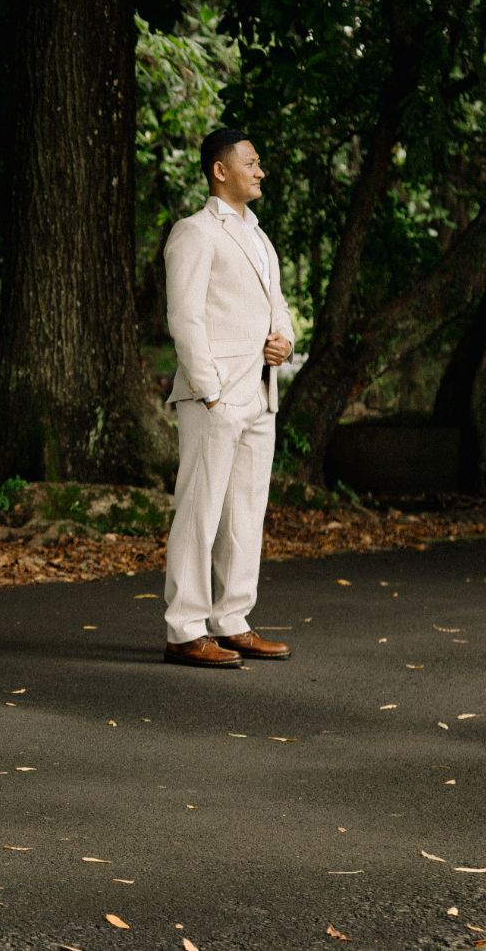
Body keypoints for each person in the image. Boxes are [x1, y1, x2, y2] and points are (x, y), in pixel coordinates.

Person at [159, 129, 298, 668]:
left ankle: (233, 621)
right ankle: (185, 629)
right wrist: (211, 392)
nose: (260, 171)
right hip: (214, 399)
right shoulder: (194, 232)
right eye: (251, 162)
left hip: (261, 395)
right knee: (200, 512)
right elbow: (185, 317)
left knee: (245, 513)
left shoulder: (260, 238)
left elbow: (277, 307)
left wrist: (285, 342)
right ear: (221, 171)